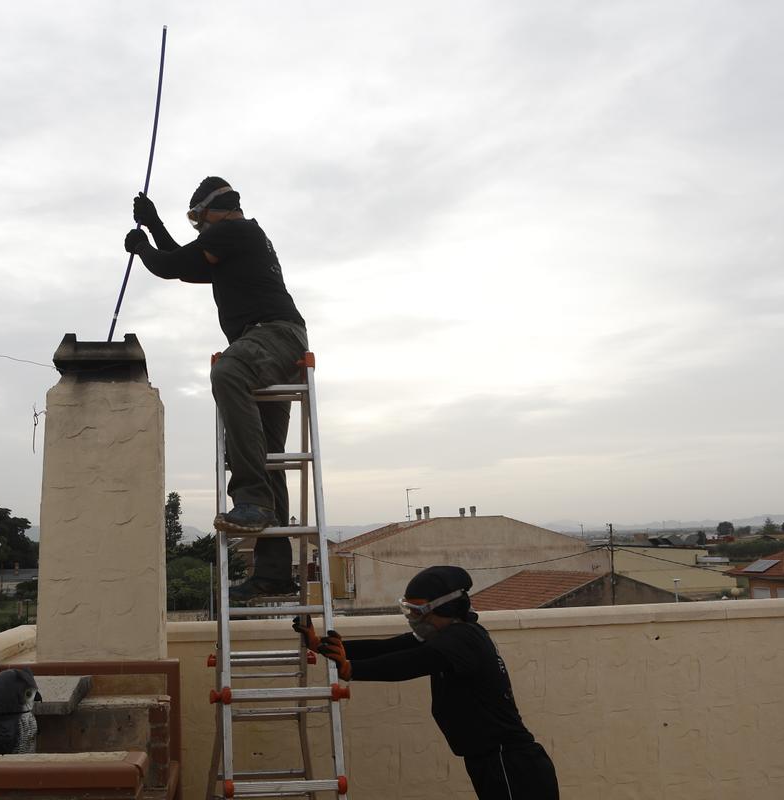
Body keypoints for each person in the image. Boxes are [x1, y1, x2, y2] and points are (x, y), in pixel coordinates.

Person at [124, 177, 307, 600]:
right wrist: (152, 229)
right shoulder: (235, 241)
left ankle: (252, 499)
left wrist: (143, 246)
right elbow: (181, 264)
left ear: (215, 210)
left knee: (227, 373)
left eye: (197, 219)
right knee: (270, 458)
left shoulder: (236, 230)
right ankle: (274, 572)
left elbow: (169, 265)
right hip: (275, 342)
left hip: (272, 337)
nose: (198, 229)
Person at [295, 565, 560, 799]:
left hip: (511, 764)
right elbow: (389, 648)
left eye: (416, 610)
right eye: (407, 609)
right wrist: (321, 646)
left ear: (443, 606)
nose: (412, 618)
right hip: (493, 762)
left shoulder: (463, 640)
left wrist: (351, 669)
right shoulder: (445, 637)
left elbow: (410, 663)